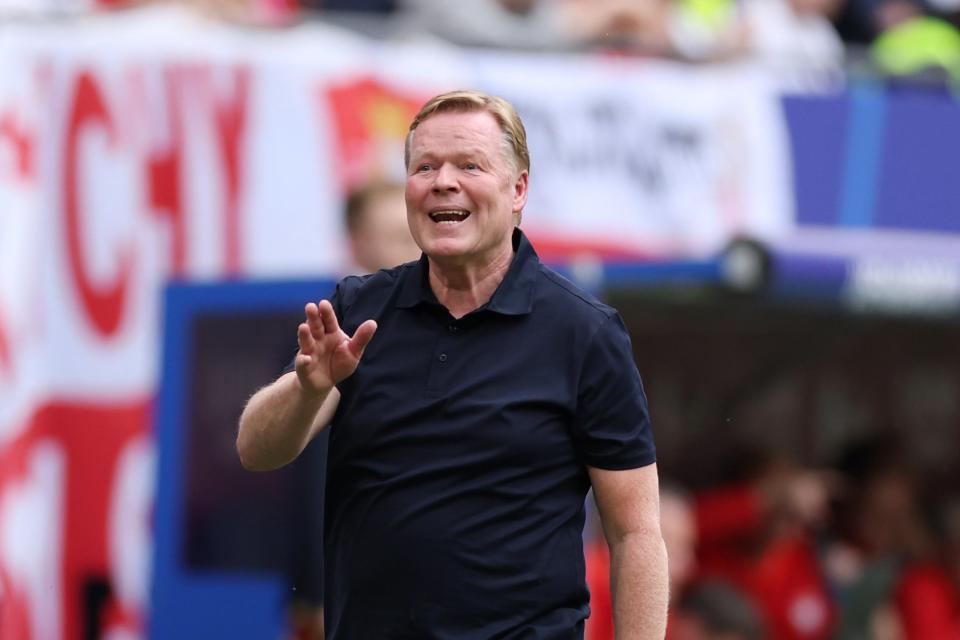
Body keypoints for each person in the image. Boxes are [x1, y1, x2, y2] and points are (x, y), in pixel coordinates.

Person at [236, 89, 668, 638]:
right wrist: (307, 389)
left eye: (469, 165)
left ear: (519, 190)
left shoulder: (584, 332)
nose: (443, 181)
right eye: (425, 167)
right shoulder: (358, 309)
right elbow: (256, 450)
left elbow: (635, 534)